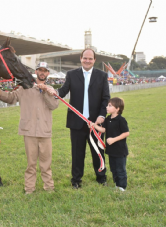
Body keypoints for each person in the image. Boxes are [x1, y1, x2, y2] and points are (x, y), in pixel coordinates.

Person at [0, 62, 59, 194]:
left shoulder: (51, 89)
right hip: (29, 131)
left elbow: (53, 105)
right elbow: (10, 98)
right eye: (40, 70)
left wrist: (45, 91)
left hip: (45, 132)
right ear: (36, 72)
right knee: (31, 164)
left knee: (46, 164)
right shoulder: (24, 88)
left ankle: (49, 188)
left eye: (45, 71)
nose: (42, 73)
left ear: (48, 73)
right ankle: (29, 188)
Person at [57, 48, 110, 189]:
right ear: (80, 59)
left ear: (94, 60)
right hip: (77, 123)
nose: (87, 61)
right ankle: (76, 180)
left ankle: (101, 177)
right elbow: (62, 92)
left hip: (96, 123)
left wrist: (101, 115)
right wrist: (52, 91)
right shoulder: (71, 75)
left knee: (97, 152)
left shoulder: (102, 76)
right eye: (85, 58)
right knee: (77, 154)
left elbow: (106, 98)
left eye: (90, 58)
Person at [89, 97, 129, 191]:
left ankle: (122, 186)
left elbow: (126, 133)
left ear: (117, 108)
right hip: (111, 150)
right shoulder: (108, 119)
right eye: (107, 105)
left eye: (110, 106)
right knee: (113, 169)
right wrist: (94, 125)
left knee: (120, 169)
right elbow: (103, 130)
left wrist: (114, 139)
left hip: (120, 150)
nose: (107, 107)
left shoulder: (121, 120)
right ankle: (117, 185)